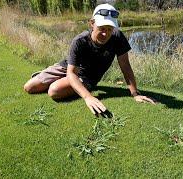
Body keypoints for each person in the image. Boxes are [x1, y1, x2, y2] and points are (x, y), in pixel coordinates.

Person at [24, 3, 156, 115]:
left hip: (87, 77)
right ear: (92, 23)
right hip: (68, 67)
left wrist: (135, 93)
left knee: (54, 91)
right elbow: (71, 72)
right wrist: (88, 97)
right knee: (29, 87)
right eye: (102, 28)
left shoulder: (118, 37)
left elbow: (125, 65)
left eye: (110, 29)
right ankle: (51, 76)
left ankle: (58, 82)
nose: (106, 34)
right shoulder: (80, 40)